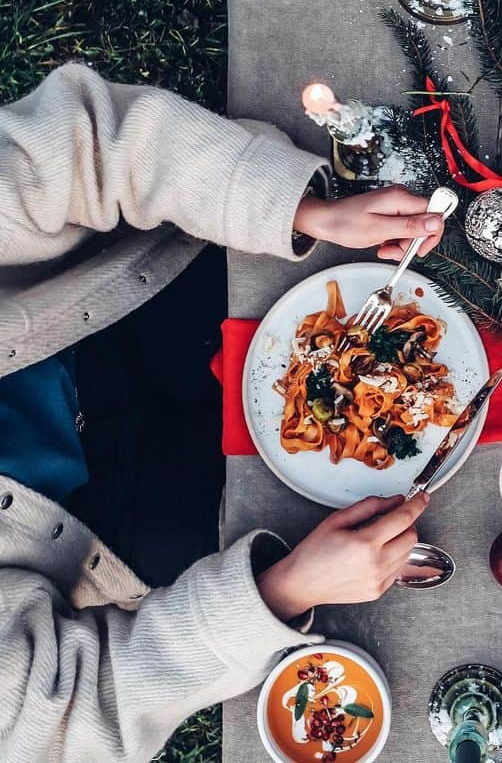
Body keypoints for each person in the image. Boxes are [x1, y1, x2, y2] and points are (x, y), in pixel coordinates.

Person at [0, 62, 448, 758]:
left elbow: (80, 151)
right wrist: (282, 588)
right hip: (95, 528)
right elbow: (74, 717)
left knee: (292, 282)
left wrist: (301, 210)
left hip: (95, 306)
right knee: (299, 516)